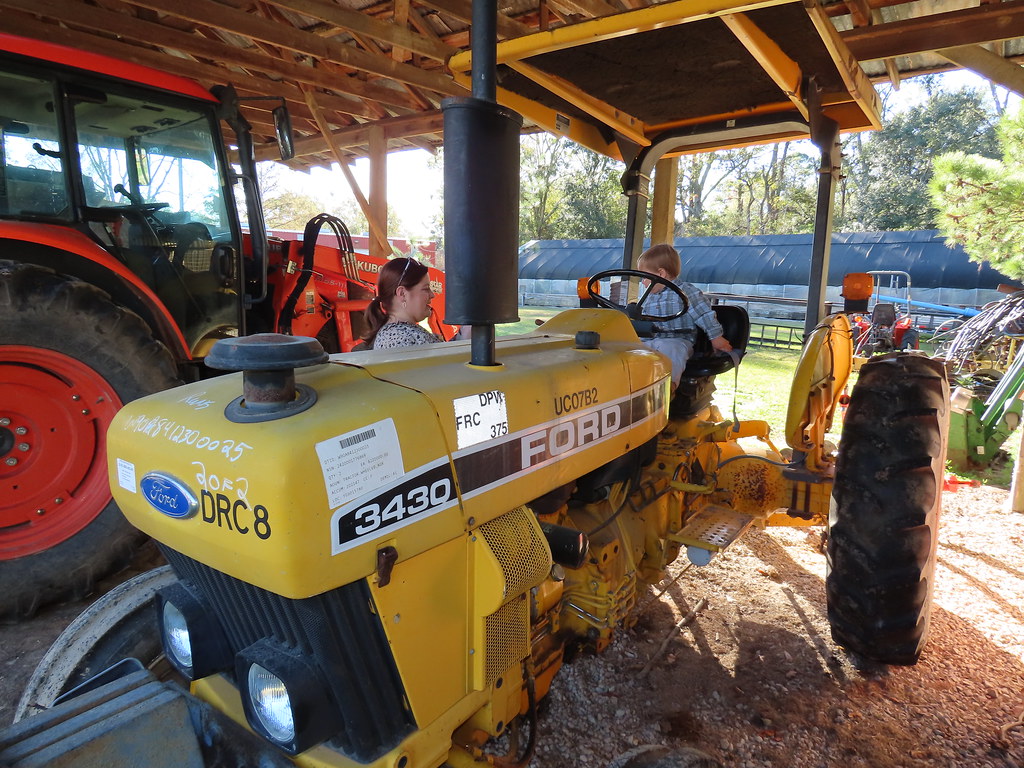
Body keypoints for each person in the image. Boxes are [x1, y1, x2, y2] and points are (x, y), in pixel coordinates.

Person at [636, 243, 732, 388]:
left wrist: (716, 337)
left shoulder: (685, 292)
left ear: (660, 274)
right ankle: (634, 387)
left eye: (645, 277)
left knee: (671, 351)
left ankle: (669, 387)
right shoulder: (648, 296)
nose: (642, 282)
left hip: (677, 338)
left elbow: (703, 313)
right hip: (650, 339)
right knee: (630, 351)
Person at [361, 256, 444, 349]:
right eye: (425, 289)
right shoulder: (403, 340)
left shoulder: (396, 334)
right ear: (402, 293)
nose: (432, 295)